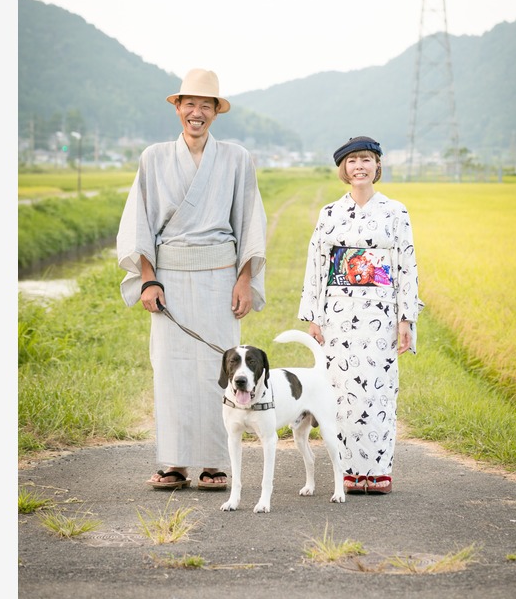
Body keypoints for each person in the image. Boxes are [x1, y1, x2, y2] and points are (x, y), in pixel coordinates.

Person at [116, 68, 268, 492]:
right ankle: (174, 462)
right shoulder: (154, 158)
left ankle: (215, 463)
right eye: (190, 104)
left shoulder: (237, 158)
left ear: (216, 113)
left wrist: (244, 280)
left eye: (206, 105)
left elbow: (249, 222)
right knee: (171, 369)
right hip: (171, 279)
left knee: (220, 367)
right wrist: (149, 280)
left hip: (221, 278)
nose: (196, 112)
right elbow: (139, 224)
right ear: (178, 108)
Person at [296, 135, 423, 495]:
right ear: (343, 169)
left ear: (377, 165)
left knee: (380, 390)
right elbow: (317, 266)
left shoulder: (395, 212)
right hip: (339, 311)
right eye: (352, 161)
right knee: (341, 390)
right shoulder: (330, 214)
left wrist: (405, 318)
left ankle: (378, 471)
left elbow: (407, 266)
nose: (360, 167)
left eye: (366, 159)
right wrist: (314, 316)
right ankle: (348, 471)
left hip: (380, 311)